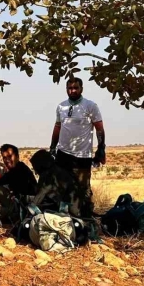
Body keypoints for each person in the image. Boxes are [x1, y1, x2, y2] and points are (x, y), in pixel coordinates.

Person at [49, 77, 105, 218]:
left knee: (83, 190)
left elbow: (99, 129)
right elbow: (57, 128)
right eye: (69, 88)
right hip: (63, 154)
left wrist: (101, 148)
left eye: (75, 88)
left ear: (81, 89)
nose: (72, 90)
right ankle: (64, 219)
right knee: (61, 187)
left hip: (82, 156)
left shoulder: (90, 106)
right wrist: (52, 147)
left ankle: (87, 220)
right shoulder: (61, 107)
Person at [0, 144, 38, 224]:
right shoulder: (13, 170)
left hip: (25, 209)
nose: (7, 160)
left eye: (10, 157)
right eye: (4, 158)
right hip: (16, 205)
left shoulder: (21, 170)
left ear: (17, 156)